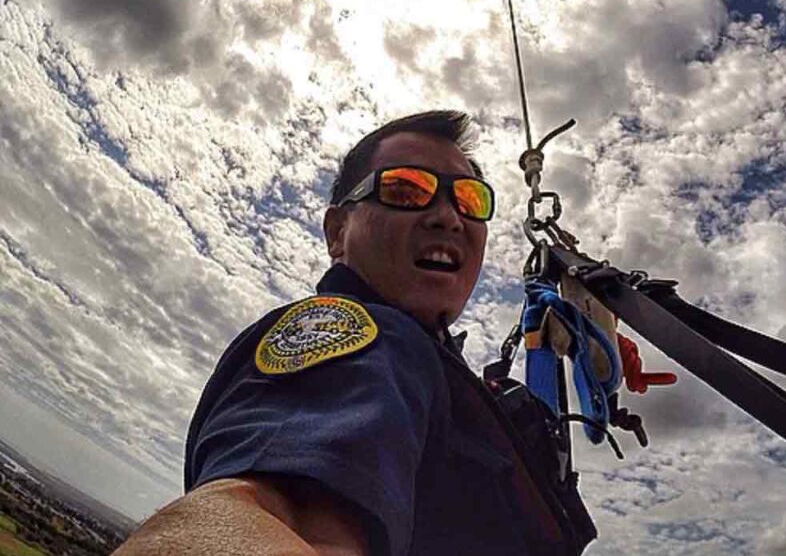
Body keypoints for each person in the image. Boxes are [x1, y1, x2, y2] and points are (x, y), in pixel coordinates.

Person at [114, 109, 596, 556]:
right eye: (407, 191)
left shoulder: (434, 378)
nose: (449, 216)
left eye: (469, 200)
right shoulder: (365, 340)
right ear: (337, 232)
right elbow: (272, 514)